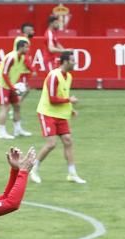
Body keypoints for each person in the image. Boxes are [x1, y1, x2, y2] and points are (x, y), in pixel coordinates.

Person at [30, 51, 86, 185]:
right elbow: (52, 99)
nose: (75, 63)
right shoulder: (54, 76)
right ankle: (33, 169)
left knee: (68, 141)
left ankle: (72, 173)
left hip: (60, 115)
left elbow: (62, 94)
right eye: (73, 60)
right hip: (47, 113)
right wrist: (69, 100)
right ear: (65, 62)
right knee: (51, 144)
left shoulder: (69, 76)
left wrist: (71, 110)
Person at [0, 39, 33, 140]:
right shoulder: (11, 57)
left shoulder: (22, 58)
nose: (28, 49)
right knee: (5, 108)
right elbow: (4, 74)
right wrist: (12, 88)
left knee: (17, 106)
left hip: (11, 85)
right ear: (20, 47)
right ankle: (1, 132)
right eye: (26, 47)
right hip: (2, 85)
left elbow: (26, 69)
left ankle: (18, 130)